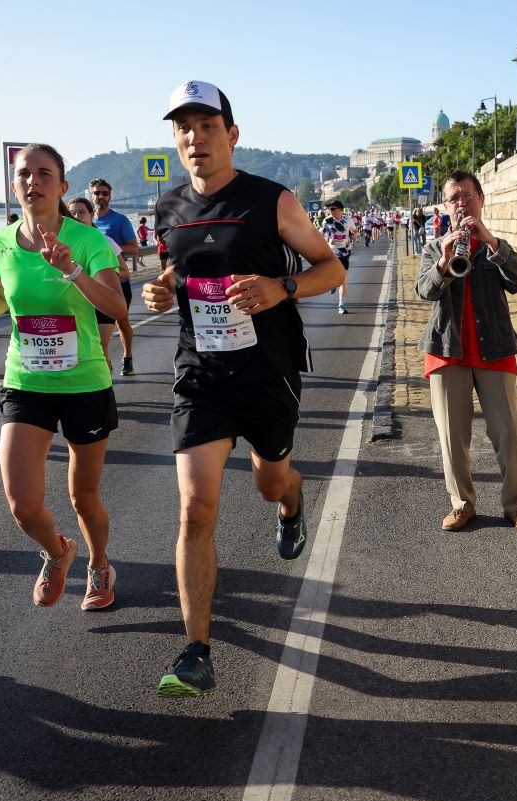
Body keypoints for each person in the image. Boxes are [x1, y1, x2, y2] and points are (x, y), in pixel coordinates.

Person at [143, 80, 344, 697]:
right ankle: (195, 651)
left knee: (267, 480)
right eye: (184, 128)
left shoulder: (272, 200)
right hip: (200, 372)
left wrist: (279, 290)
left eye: (208, 126)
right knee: (195, 507)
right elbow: (177, 268)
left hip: (268, 370)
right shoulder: (168, 207)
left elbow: (330, 267)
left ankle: (291, 500)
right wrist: (162, 289)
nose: (195, 138)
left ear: (232, 134)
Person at [0, 143, 125, 612]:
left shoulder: (87, 242)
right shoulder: (0, 242)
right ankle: (57, 551)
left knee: (83, 498)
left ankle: (99, 563)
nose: (33, 182)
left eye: (44, 174)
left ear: (62, 186)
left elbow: (116, 307)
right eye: (24, 174)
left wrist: (69, 270)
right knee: (23, 504)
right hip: (26, 380)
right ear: (13, 185)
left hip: (84, 382)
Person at [416, 170, 517, 534]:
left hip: (495, 347)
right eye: (454, 198)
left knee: (507, 432)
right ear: (445, 205)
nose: (461, 203)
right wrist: (444, 261)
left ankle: (516, 505)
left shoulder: (495, 244)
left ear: (481, 200)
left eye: (467, 196)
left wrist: (490, 242)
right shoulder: (433, 247)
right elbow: (425, 291)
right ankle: (462, 504)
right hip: (446, 350)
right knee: (452, 436)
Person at [69, 196, 131, 370]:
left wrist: (98, 277)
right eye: (72, 213)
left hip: (103, 297)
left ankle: (107, 385)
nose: (76, 216)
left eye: (81, 212)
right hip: (79, 303)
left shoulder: (104, 241)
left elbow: (125, 271)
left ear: (91, 215)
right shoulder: (64, 244)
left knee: (101, 348)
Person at [88, 178, 137, 376]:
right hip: (90, 284)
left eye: (104, 193)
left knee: (122, 322)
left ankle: (127, 357)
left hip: (118, 282)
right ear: (90, 195)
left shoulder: (119, 220)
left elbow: (134, 248)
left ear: (110, 196)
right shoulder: (83, 222)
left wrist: (108, 249)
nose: (101, 197)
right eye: (97, 193)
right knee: (93, 330)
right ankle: (100, 368)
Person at [320, 199, 357, 313]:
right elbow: (320, 235)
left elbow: (354, 231)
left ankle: (341, 304)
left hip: (344, 253)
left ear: (340, 209)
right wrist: (329, 240)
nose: (330, 211)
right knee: (335, 278)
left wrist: (354, 237)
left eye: (333, 209)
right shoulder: (327, 221)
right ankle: (333, 283)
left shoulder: (348, 219)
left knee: (343, 280)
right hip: (332, 253)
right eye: (329, 209)